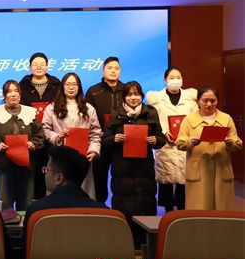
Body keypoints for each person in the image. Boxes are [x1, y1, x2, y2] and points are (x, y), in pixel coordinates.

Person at [102, 81, 165, 246]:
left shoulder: (151, 112)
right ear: (124, 97)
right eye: (129, 94)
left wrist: (155, 140)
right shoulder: (116, 113)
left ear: (142, 96)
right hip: (122, 169)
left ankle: (145, 245)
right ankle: (125, 244)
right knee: (124, 207)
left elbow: (161, 138)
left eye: (137, 94)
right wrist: (114, 138)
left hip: (144, 170)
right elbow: (105, 140)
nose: (133, 98)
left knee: (146, 205)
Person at [175, 85, 242, 210]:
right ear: (198, 101)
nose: (209, 104)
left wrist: (230, 143)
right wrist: (190, 142)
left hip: (221, 169)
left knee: (222, 209)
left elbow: (238, 143)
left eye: (213, 100)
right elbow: (179, 143)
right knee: (199, 209)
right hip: (199, 173)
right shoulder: (189, 120)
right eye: (205, 100)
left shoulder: (226, 118)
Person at [0, 80, 45, 211]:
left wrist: (34, 144)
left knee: (26, 203)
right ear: (4, 95)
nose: (13, 94)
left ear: (20, 94)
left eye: (16, 91)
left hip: (26, 166)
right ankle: (7, 224)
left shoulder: (30, 113)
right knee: (6, 204)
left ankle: (25, 224)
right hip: (3, 165)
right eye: (9, 91)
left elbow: (40, 135)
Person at [41, 73, 102, 199]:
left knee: (83, 194)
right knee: (58, 193)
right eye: (68, 84)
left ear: (79, 87)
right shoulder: (52, 108)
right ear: (62, 86)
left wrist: (93, 151)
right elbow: (45, 129)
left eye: (74, 84)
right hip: (60, 157)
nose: (71, 87)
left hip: (82, 157)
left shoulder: (88, 108)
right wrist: (57, 137)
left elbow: (96, 133)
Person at [145, 67, 198, 211]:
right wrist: (165, 132)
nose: (176, 80)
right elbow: (155, 120)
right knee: (166, 179)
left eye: (178, 77)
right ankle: (168, 211)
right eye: (172, 77)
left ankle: (181, 211)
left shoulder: (190, 99)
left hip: (184, 143)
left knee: (184, 179)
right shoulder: (157, 99)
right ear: (165, 80)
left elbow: (194, 119)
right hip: (166, 144)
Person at [23, 146, 107, 224]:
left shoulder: (35, 211)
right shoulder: (104, 213)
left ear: (58, 178)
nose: (45, 174)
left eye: (47, 170)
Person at [19, 52, 60, 200]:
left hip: (52, 136)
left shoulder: (57, 86)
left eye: (42, 64)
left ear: (47, 66)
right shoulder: (22, 86)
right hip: (31, 137)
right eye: (35, 64)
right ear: (30, 67)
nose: (39, 67)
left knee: (51, 171)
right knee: (32, 173)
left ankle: (52, 203)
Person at [85, 56, 124, 204]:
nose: (113, 71)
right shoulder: (93, 91)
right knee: (99, 178)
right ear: (103, 71)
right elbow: (87, 116)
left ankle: (120, 209)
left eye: (117, 68)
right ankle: (99, 207)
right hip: (100, 142)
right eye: (110, 68)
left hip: (122, 142)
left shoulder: (126, 90)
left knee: (121, 178)